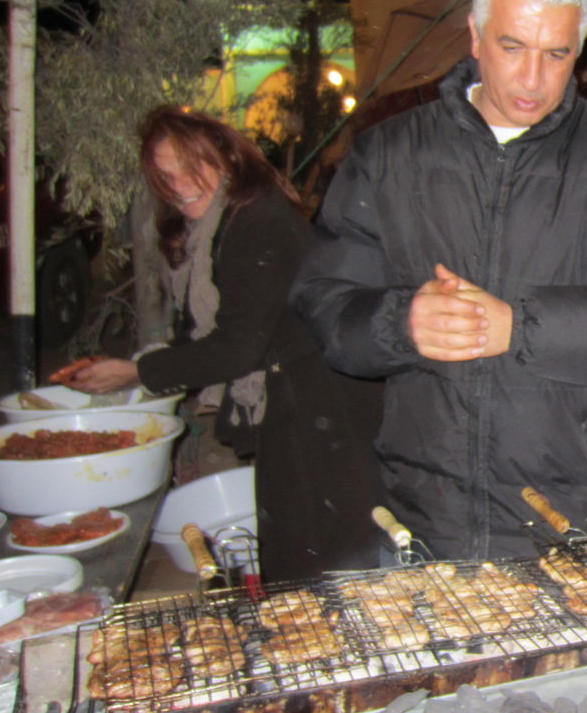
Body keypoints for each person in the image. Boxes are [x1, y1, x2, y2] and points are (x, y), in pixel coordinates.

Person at [290, 0, 587, 561]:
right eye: (512, 46)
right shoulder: (389, 153)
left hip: (581, 510)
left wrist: (521, 327)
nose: (533, 79)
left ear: (581, 48)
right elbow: (324, 303)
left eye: (557, 53)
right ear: (476, 36)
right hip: (430, 507)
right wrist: (401, 322)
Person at [67, 107, 383, 582]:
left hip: (322, 404)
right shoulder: (217, 226)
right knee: (305, 545)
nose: (180, 185)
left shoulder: (260, 223)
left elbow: (237, 347)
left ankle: (321, 640)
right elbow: (206, 327)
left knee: (322, 552)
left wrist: (138, 373)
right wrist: (141, 363)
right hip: (296, 397)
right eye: (166, 174)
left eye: (193, 167)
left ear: (229, 160)